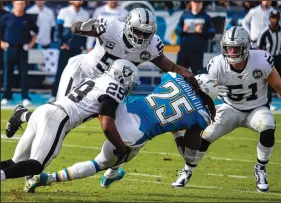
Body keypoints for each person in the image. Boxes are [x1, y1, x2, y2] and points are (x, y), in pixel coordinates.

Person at [5, 8, 201, 139]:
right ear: (128, 25)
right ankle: (22, 116)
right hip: (81, 73)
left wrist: (194, 80)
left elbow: (171, 67)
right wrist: (84, 27)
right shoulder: (110, 27)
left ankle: (23, 116)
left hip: (104, 87)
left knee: (68, 124)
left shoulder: (151, 46)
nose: (141, 37)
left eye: (146, 33)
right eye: (138, 31)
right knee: (57, 120)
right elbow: (75, 28)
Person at [23, 72, 218, 192]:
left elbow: (171, 84)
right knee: (100, 161)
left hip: (126, 108)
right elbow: (188, 153)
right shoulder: (201, 114)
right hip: (137, 130)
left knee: (86, 119)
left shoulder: (175, 78)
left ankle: (113, 171)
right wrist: (177, 133)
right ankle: (48, 178)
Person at [171, 26, 281, 192]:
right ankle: (187, 170)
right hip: (230, 108)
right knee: (207, 135)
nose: (231, 52)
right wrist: (210, 95)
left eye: (235, 48)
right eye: (228, 48)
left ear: (246, 47)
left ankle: (260, 169)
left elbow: (279, 85)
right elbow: (204, 93)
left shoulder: (261, 60)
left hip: (256, 108)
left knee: (268, 125)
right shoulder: (217, 65)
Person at [0, 59, 141, 182]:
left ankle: (22, 115)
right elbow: (107, 125)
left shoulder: (98, 79)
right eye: (130, 83)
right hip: (56, 118)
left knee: (14, 163)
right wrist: (122, 148)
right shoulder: (114, 89)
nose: (129, 87)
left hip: (45, 110)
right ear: (122, 76)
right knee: (36, 165)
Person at [49, 1, 89, 103]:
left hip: (77, 49)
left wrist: (82, 46)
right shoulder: (64, 11)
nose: (79, 1)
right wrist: (61, 44)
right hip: (65, 48)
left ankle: (75, 97)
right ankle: (54, 95)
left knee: (78, 73)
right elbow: (58, 29)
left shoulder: (85, 14)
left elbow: (86, 32)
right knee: (61, 72)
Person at [0, 0, 38, 107]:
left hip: (23, 50)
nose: (20, 6)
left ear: (25, 5)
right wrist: (1, 43)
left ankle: (25, 97)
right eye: (18, 4)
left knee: (23, 75)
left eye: (22, 4)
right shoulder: (6, 18)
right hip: (9, 49)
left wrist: (31, 44)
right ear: (13, 4)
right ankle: (6, 96)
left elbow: (36, 32)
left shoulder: (28, 18)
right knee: (7, 74)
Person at [257, 10, 281, 111]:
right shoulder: (264, 32)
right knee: (268, 82)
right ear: (270, 19)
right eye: (273, 18)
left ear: (279, 18)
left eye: (276, 18)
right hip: (268, 59)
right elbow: (259, 48)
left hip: (280, 58)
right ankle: (268, 104)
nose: (275, 20)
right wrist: (260, 61)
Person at [175, 0, 215, 75]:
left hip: (198, 53)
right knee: (179, 76)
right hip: (184, 51)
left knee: (197, 77)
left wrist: (202, 31)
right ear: (191, 2)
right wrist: (183, 30)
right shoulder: (184, 15)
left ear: (202, 3)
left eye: (199, 2)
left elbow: (212, 33)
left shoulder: (206, 17)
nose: (197, 4)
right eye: (195, 2)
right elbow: (177, 30)